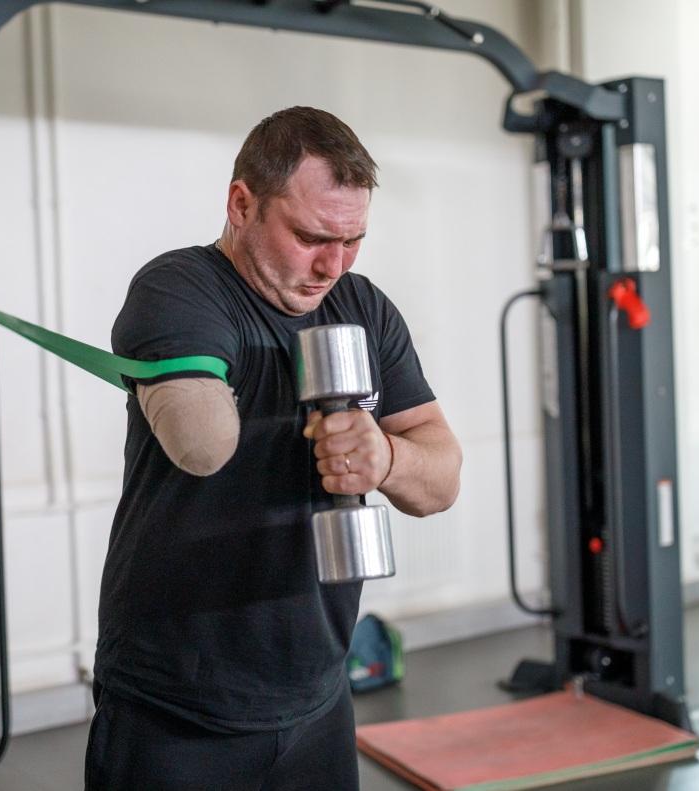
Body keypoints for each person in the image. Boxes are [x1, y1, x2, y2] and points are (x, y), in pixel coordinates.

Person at [86, 106, 463, 790]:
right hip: (176, 702)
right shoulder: (180, 288)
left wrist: (385, 456)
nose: (332, 265)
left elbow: (441, 479)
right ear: (241, 204)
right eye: (311, 236)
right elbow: (202, 445)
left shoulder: (364, 308)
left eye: (352, 240)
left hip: (319, 693)